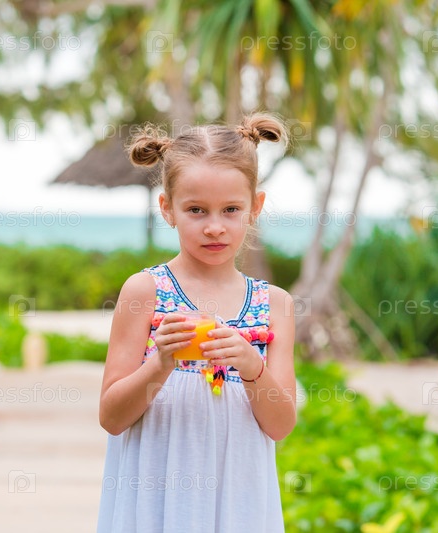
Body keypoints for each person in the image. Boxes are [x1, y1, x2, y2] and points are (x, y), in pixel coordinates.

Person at [97, 113, 298, 532]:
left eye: (231, 210)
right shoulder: (145, 292)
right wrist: (160, 363)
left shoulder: (275, 304)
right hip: (156, 503)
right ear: (167, 209)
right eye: (196, 210)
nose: (214, 227)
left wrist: (251, 365)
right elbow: (112, 417)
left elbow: (280, 426)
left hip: (239, 504)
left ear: (255, 207)